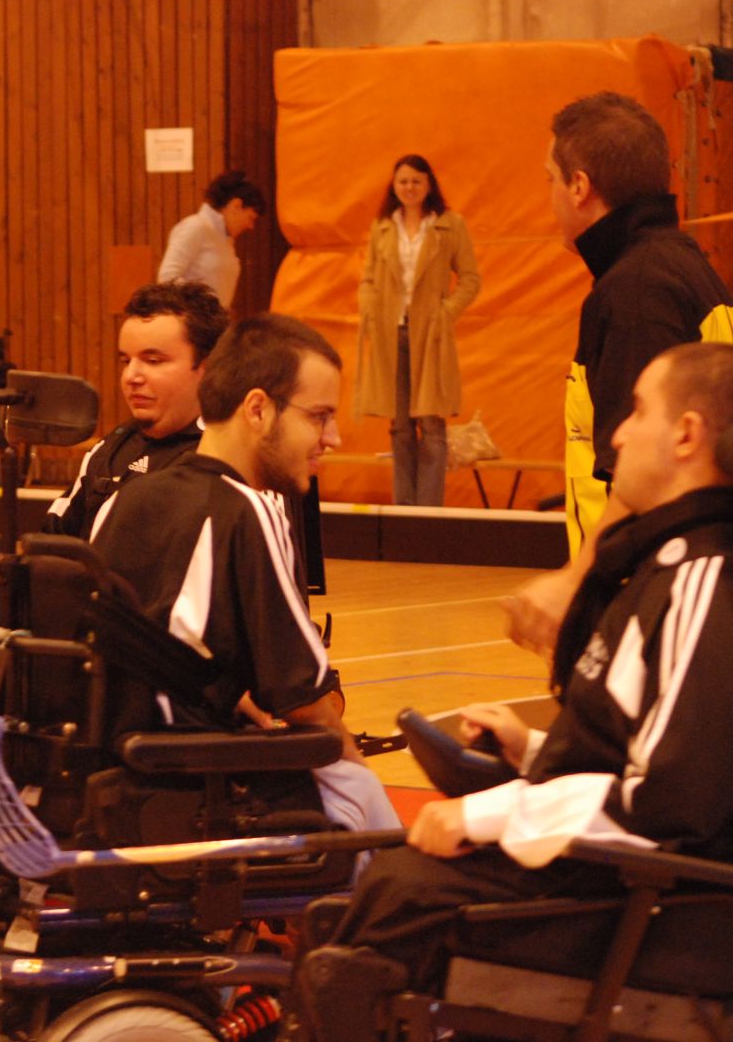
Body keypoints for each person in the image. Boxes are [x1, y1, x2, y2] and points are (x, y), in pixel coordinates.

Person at [293, 342, 733, 1039]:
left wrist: (488, 814)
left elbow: (671, 804)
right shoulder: (667, 566)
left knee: (395, 900)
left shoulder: (706, 581)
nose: (617, 433)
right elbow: (650, 754)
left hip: (662, 914)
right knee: (375, 898)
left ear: (686, 434)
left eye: (637, 411)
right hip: (615, 879)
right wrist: (530, 750)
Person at [90, 314, 400, 834]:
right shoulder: (252, 509)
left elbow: (144, 647)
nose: (333, 437)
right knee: (355, 786)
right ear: (257, 410)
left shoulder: (124, 501)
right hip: (191, 789)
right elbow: (305, 702)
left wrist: (225, 693)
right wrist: (358, 768)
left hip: (108, 780)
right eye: (319, 417)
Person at [506, 92, 733, 655]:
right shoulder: (681, 266)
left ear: (580, 187)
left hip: (649, 599)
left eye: (551, 179)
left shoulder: (636, 292)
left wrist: (575, 581)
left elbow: (644, 470)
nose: (550, 196)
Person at [0, 282, 227, 628]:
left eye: (153, 360)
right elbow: (52, 543)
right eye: (126, 361)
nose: (132, 376)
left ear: (208, 368)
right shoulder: (108, 452)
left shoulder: (226, 464)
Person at [353, 154, 480, 506]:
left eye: (416, 181)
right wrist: (370, 308)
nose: (409, 187)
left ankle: (429, 513)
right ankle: (403, 511)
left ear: (428, 185)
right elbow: (367, 279)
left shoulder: (450, 225)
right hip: (390, 335)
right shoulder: (382, 227)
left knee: (432, 424)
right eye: (403, 181)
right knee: (400, 427)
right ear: (393, 186)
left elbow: (470, 279)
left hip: (431, 336)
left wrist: (446, 313)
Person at [157, 170, 265, 309]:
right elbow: (167, 278)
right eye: (251, 218)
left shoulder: (224, 239)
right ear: (236, 205)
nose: (251, 226)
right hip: (192, 319)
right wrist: (203, 306)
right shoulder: (195, 226)